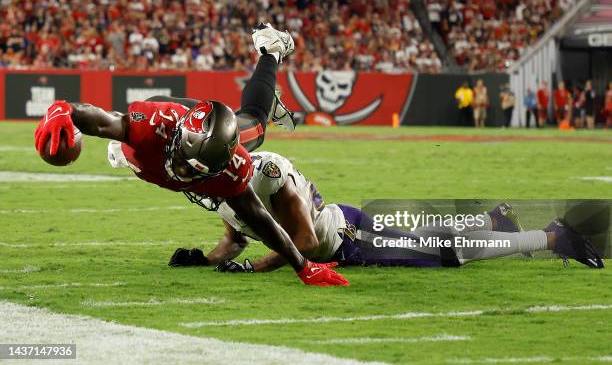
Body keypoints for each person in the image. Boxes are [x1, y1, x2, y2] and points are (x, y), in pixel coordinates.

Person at [33, 24, 348, 287]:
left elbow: (261, 221)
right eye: (184, 162)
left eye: (197, 170)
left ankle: (270, 69)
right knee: (253, 122)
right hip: (172, 122)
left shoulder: (232, 168)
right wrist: (63, 110)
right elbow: (101, 119)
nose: (184, 172)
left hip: (206, 137)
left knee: (250, 130)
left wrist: (303, 267)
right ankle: (272, 51)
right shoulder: (149, 130)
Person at [169, 152, 603, 271]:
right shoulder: (228, 186)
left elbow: (301, 242)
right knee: (426, 239)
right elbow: (235, 236)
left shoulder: (265, 173)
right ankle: (493, 221)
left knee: (449, 251)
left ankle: (552, 236)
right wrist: (206, 260)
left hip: (343, 240)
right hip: (344, 227)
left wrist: (255, 269)